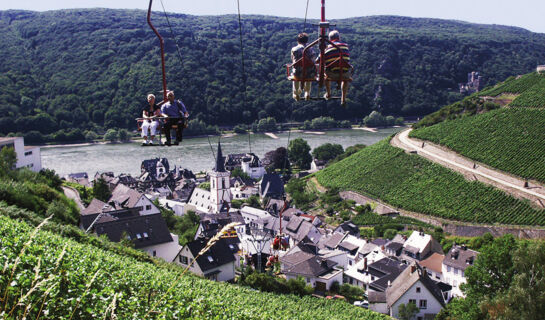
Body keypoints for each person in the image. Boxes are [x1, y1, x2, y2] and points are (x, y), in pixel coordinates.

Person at [318, 30, 351, 105]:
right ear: (339, 37)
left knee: (324, 73)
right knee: (345, 80)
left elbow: (318, 61)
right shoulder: (345, 46)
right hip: (344, 72)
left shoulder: (327, 48)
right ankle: (343, 98)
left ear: (330, 39)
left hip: (332, 73)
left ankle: (328, 93)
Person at [290, 33, 317, 101]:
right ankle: (307, 92)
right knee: (309, 72)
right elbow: (313, 60)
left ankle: (296, 93)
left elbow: (293, 60)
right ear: (307, 41)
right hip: (309, 73)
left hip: (298, 72)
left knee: (295, 75)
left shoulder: (294, 49)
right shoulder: (311, 49)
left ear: (298, 41)